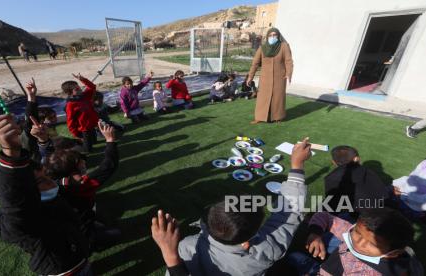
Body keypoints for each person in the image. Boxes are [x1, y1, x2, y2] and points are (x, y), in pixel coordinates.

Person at [174, 138, 312, 275]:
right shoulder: (264, 251)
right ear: (246, 244)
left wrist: (169, 253)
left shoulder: (187, 246)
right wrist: (297, 165)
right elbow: (288, 215)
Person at [0, 114, 91, 275]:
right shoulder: (21, 220)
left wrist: (43, 140)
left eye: (47, 177)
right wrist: (10, 153)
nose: (52, 182)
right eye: (41, 182)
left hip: (80, 255)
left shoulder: (49, 194)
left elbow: (50, 164)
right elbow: (16, 202)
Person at [44, 121, 121, 248]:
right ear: (75, 168)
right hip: (80, 229)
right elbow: (108, 167)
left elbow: (49, 160)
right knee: (115, 233)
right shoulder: (81, 184)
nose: (84, 163)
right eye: (80, 162)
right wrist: (110, 141)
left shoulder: (52, 181)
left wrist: (43, 141)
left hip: (66, 222)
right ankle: (89, 244)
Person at [289, 208, 424, 275]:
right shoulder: (351, 231)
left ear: (394, 253)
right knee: (292, 256)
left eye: (372, 244)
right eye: (357, 233)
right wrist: (315, 234)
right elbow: (324, 216)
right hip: (330, 266)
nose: (358, 243)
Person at [247, 28, 293, 124]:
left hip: (279, 78)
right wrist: (250, 77)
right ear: (267, 37)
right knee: (262, 98)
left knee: (277, 98)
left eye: (275, 35)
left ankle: (277, 117)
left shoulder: (284, 46)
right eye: (270, 35)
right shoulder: (262, 48)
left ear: (278, 36)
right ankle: (259, 117)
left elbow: (288, 61)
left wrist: (288, 73)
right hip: (265, 79)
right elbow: (255, 63)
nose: (272, 37)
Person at [63, 73, 99, 152]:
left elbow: (92, 87)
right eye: (76, 89)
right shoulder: (70, 105)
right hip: (84, 129)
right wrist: (76, 133)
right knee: (88, 149)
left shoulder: (84, 96)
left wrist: (83, 79)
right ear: (70, 93)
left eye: (79, 87)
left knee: (95, 141)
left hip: (92, 125)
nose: (80, 89)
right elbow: (70, 121)